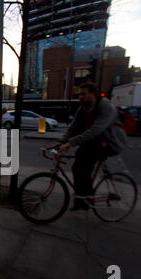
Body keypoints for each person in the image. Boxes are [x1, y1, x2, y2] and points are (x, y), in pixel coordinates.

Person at [57, 82, 127, 210]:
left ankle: (87, 196)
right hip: (95, 141)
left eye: (83, 94)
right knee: (78, 166)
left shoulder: (106, 107)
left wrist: (71, 143)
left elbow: (95, 130)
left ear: (93, 94)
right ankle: (81, 199)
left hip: (110, 142)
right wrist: (61, 142)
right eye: (79, 94)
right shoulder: (83, 108)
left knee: (84, 162)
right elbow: (74, 128)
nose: (80, 97)